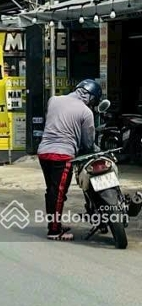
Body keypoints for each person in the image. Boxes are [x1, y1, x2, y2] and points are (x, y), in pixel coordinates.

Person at [37, 79, 101, 241]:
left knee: (52, 191)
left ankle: (55, 224)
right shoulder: (86, 112)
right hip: (62, 154)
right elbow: (88, 142)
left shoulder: (54, 100)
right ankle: (54, 231)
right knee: (58, 193)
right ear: (92, 98)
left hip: (44, 151)